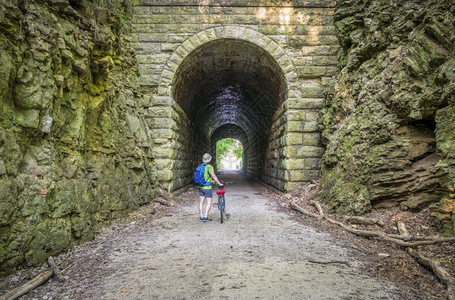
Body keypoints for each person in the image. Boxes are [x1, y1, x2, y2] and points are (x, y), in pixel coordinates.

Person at [198, 153, 223, 222]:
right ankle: (205, 216)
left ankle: (201, 216)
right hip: (207, 187)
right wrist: (218, 183)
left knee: (201, 202)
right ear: (209, 160)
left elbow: (204, 177)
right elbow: (213, 175)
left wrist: (211, 181)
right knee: (209, 202)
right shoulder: (209, 166)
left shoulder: (200, 166)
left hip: (200, 186)